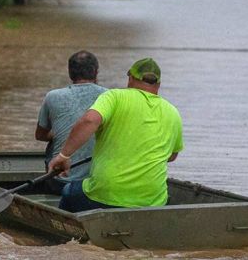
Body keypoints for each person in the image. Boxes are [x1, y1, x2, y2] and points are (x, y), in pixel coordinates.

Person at [47, 57, 183, 212]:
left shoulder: (114, 97)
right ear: (158, 85)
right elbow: (171, 156)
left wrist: (63, 156)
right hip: (153, 200)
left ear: (130, 78)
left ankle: (65, 232)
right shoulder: (173, 112)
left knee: (68, 191)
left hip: (107, 194)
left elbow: (90, 120)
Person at [36, 50, 107, 192]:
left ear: (70, 73)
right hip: (98, 183)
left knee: (52, 146)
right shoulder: (110, 96)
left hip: (60, 182)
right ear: (96, 72)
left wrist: (65, 134)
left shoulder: (52, 97)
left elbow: (40, 135)